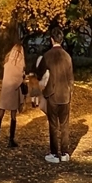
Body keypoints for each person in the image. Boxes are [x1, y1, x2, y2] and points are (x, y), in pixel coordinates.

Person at [36, 33, 75, 163]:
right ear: (62, 39)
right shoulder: (67, 56)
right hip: (65, 95)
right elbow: (70, 77)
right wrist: (70, 92)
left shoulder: (47, 56)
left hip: (52, 94)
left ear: (52, 40)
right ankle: (65, 153)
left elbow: (40, 73)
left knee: (53, 125)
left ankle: (54, 153)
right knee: (64, 125)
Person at [0, 40, 27, 147]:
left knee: (1, 114)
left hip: (5, 89)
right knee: (13, 115)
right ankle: (10, 140)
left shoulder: (7, 62)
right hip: (14, 90)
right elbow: (20, 77)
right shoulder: (19, 65)